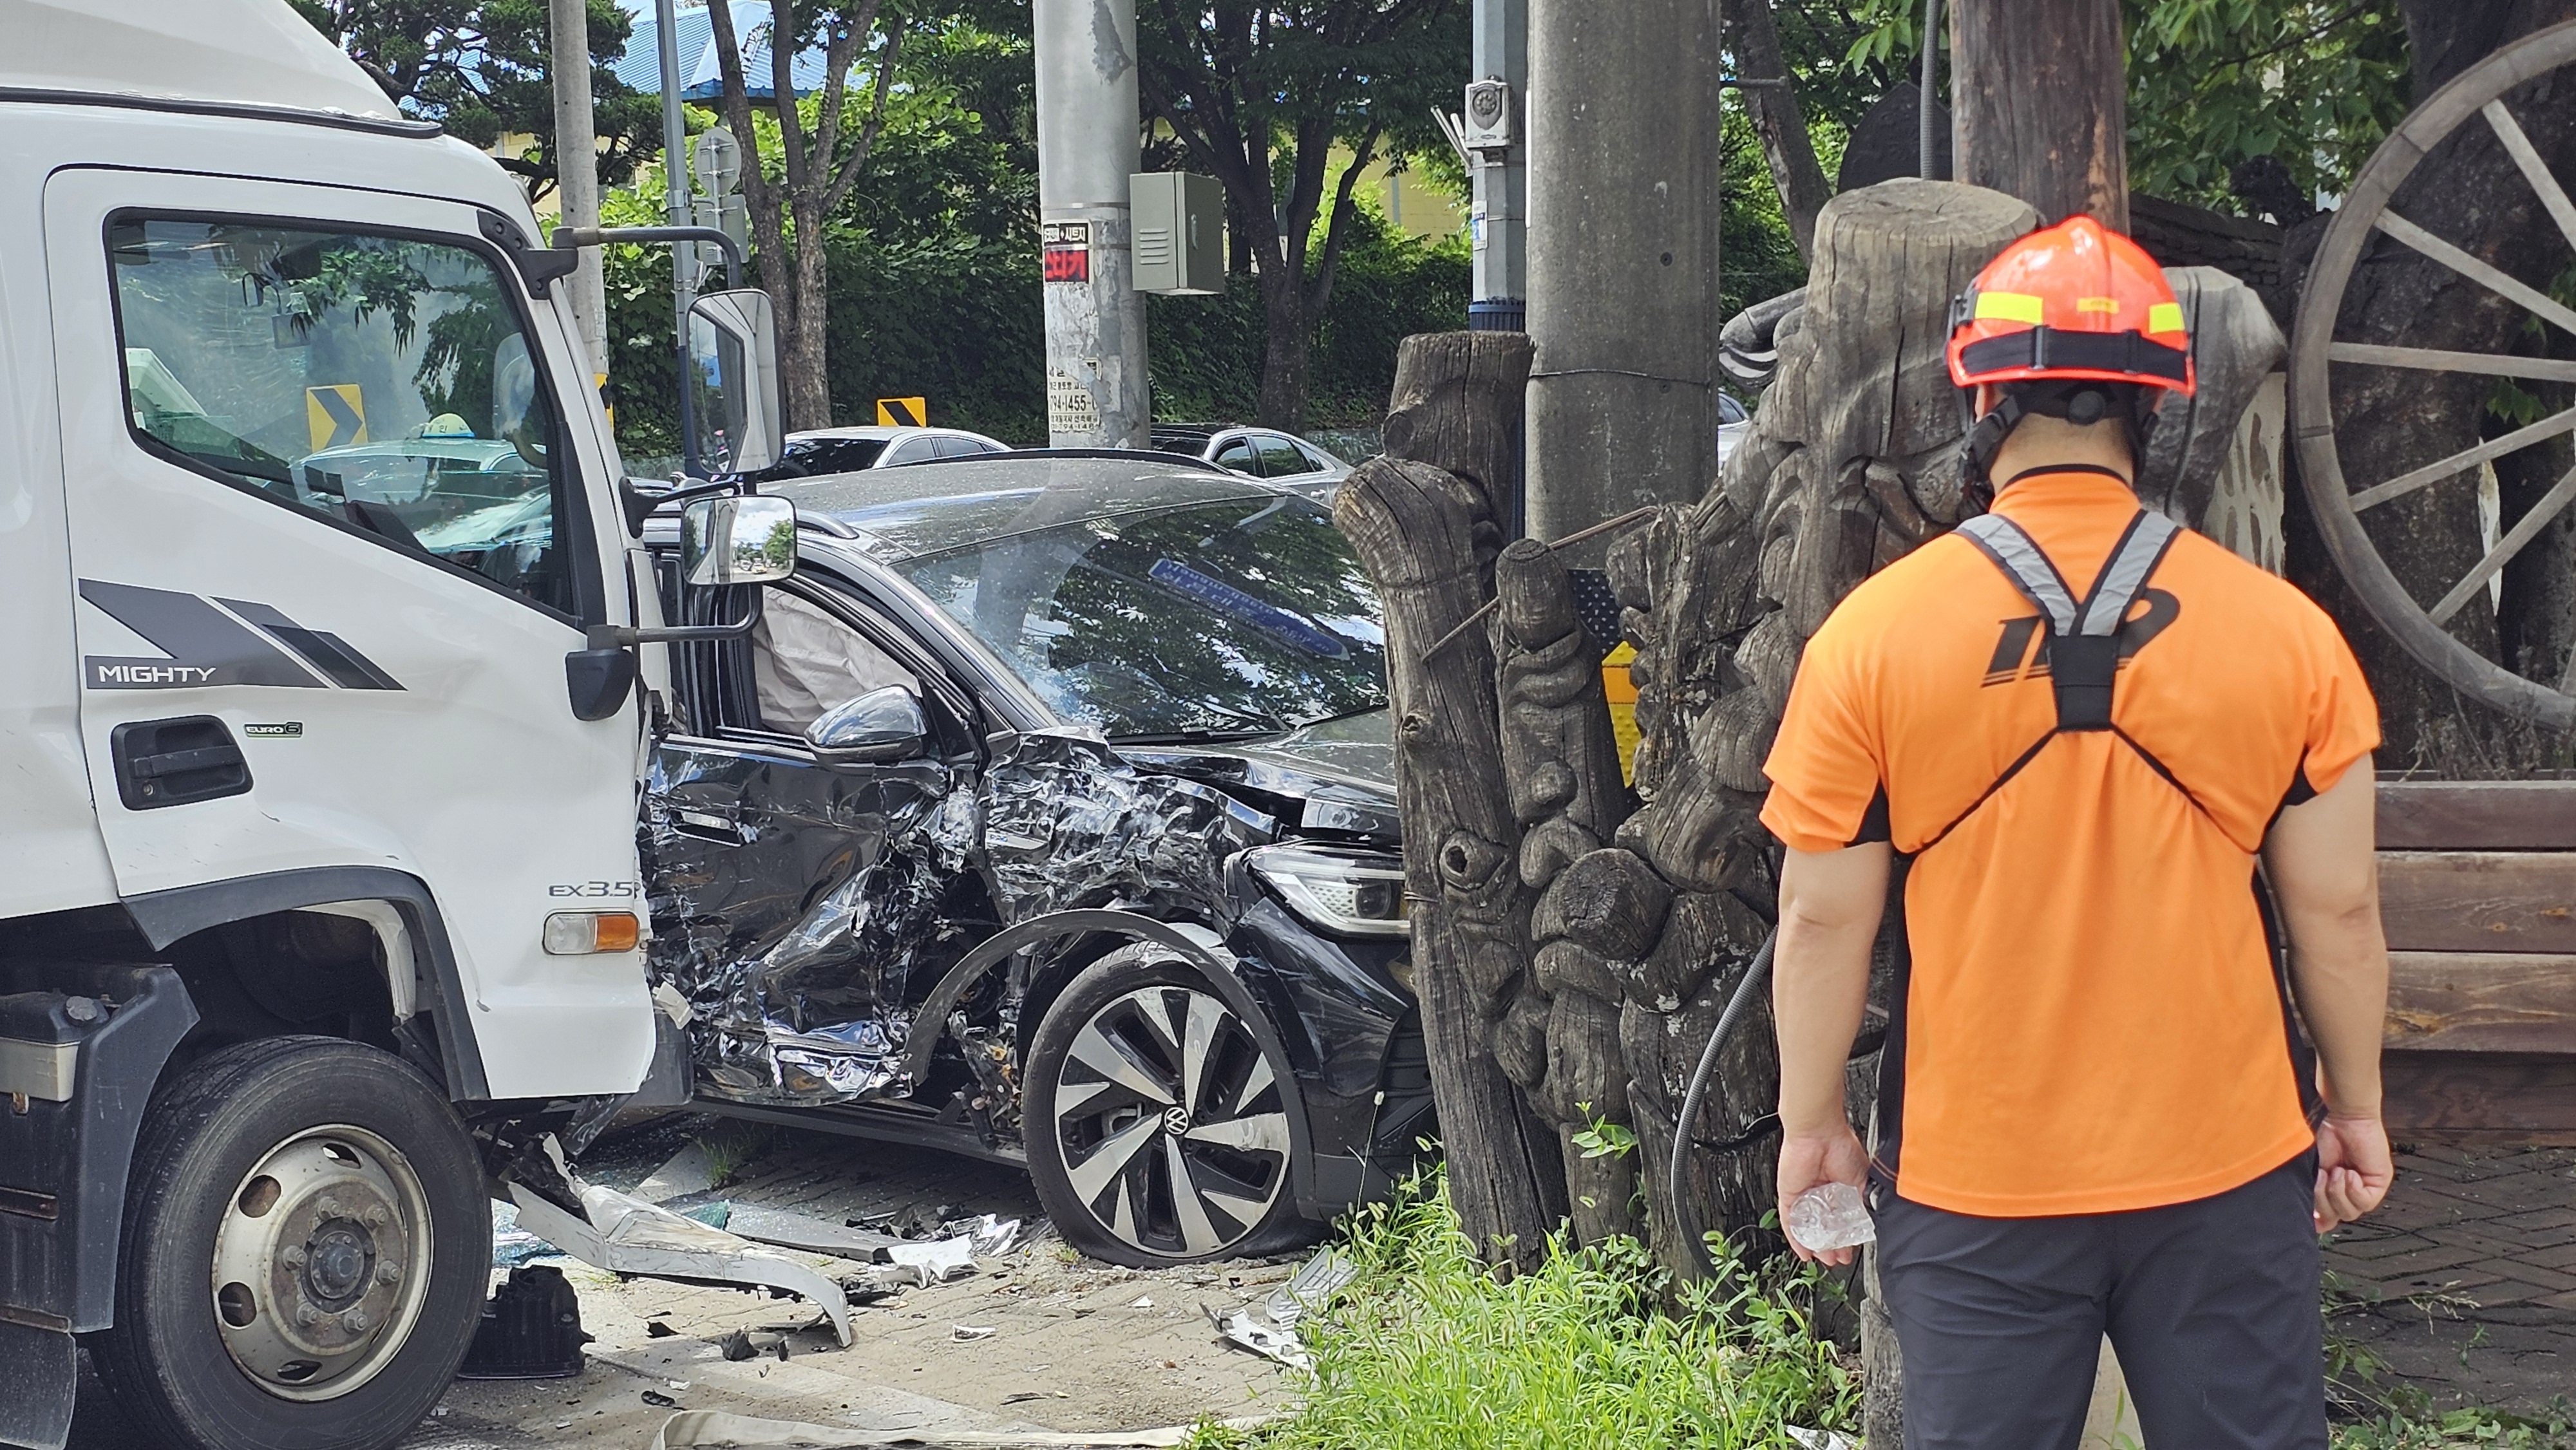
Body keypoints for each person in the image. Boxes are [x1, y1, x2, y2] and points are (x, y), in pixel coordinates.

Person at [1760, 214, 2396, 1450]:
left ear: (1980, 397)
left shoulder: (1872, 639)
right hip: (2227, 1169)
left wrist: (1812, 1124)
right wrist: (2354, 1102)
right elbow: (2339, 910)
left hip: (1975, 1179)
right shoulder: (2284, 635)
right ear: (2156, 404)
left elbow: (1822, 913)